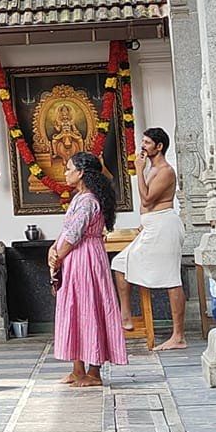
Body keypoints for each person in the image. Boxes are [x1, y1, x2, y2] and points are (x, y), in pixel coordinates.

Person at [49, 150, 127, 388]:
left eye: (69, 169)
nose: (65, 173)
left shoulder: (88, 201)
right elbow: (67, 230)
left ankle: (94, 372)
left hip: (85, 258)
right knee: (75, 309)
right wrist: (53, 249)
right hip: (76, 257)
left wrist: (58, 257)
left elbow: (74, 235)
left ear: (81, 173)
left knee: (89, 309)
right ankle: (77, 369)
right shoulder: (79, 198)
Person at [113, 126, 188, 351]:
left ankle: (178, 336)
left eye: (147, 142)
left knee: (172, 278)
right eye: (143, 142)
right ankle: (126, 315)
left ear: (159, 146)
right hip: (152, 226)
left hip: (165, 226)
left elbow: (147, 199)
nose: (142, 146)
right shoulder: (152, 169)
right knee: (119, 263)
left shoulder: (165, 171)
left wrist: (138, 170)